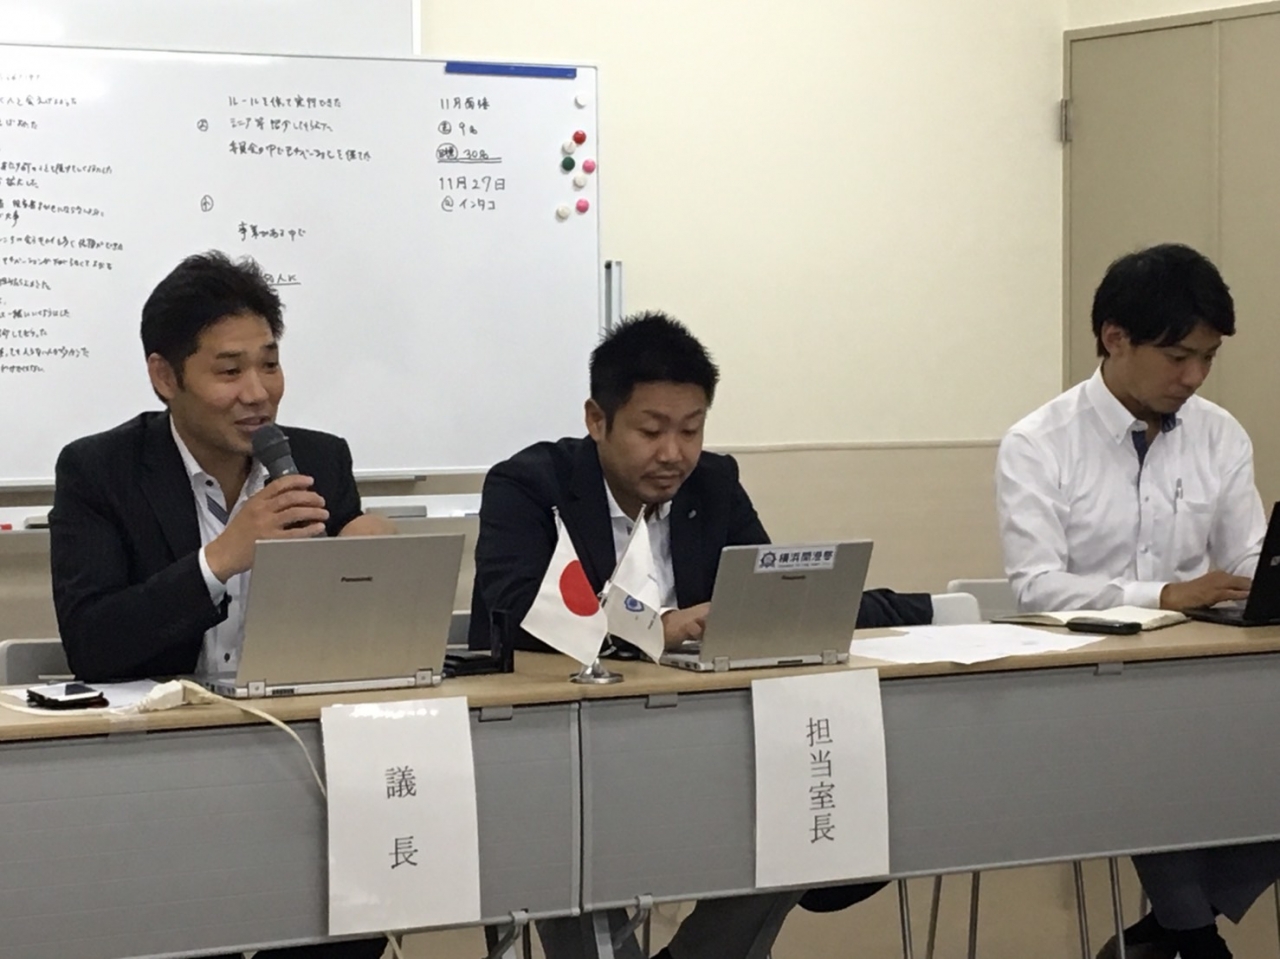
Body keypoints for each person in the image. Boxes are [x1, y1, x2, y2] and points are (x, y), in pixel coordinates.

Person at [471, 310, 920, 958]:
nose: (674, 453)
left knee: (797, 808)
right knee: (570, 834)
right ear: (597, 419)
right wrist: (653, 628)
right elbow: (517, 612)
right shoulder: (529, 485)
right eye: (651, 430)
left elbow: (764, 596)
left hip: (706, 745)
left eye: (691, 429)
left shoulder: (713, 482)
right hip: (567, 755)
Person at [49, 251, 391, 959]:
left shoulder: (319, 461)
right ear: (165, 376)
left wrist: (367, 571)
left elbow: (345, 647)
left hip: (300, 766)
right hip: (164, 775)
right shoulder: (99, 470)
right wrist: (223, 556)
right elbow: (94, 642)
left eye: (270, 364)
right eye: (229, 371)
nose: (258, 393)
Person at [995, 243, 1273, 959]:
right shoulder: (1038, 443)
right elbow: (1036, 584)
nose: (1194, 376)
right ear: (1114, 338)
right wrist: (1165, 594)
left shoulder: (1219, 433)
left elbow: (1247, 556)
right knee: (1154, 745)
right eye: (1179, 356)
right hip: (1087, 687)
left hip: (1202, 677)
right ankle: (1195, 938)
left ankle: (1170, 927)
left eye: (1208, 358)